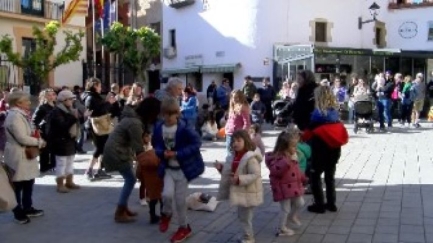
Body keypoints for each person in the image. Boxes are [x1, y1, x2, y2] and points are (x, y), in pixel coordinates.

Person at [152, 97, 204, 242]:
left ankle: (184, 227)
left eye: (171, 115)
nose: (168, 118)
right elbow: (155, 145)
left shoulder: (184, 128)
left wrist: (177, 153)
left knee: (180, 201)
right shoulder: (159, 128)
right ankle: (166, 215)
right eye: (165, 115)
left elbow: (196, 143)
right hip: (168, 168)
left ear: (178, 114)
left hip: (182, 170)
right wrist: (161, 152)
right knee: (167, 195)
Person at [102, 99, 157, 223]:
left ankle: (123, 207)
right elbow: (138, 148)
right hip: (117, 152)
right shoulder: (135, 123)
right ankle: (120, 212)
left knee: (130, 179)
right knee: (130, 179)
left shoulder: (133, 118)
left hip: (116, 150)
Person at [301, 86, 348, 214]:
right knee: (330, 176)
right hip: (334, 149)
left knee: (315, 176)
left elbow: (308, 133)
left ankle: (319, 204)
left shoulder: (317, 115)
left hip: (319, 149)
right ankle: (331, 204)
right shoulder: (334, 113)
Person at [4, 91, 46, 224]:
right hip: (18, 154)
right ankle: (18, 211)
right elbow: (21, 137)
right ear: (18, 103)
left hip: (24, 154)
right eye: (26, 100)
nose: (29, 102)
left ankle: (27, 207)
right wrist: (39, 142)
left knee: (28, 182)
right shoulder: (15, 116)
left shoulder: (21, 115)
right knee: (18, 184)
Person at [215, 130, 263, 243]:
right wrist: (221, 168)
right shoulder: (234, 156)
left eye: (238, 140)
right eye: (233, 141)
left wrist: (239, 179)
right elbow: (230, 173)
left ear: (246, 141)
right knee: (242, 216)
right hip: (241, 192)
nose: (235, 143)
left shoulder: (250, 158)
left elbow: (256, 174)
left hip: (249, 192)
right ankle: (246, 235)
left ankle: (249, 237)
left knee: (245, 217)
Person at [265, 127, 307, 236]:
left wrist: (303, 178)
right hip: (282, 188)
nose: (295, 148)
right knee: (285, 209)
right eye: (293, 146)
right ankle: (282, 228)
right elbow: (275, 171)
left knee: (300, 202)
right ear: (284, 147)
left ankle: (292, 217)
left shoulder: (292, 155)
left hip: (293, 186)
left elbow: (296, 170)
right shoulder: (278, 157)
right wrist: (288, 161)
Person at [49, 90, 83, 193]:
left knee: (70, 162)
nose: (72, 101)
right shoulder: (57, 111)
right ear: (64, 100)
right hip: (60, 140)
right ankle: (60, 184)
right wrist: (73, 117)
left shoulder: (69, 109)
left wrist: (80, 116)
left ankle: (69, 181)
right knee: (61, 163)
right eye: (71, 99)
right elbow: (62, 126)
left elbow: (76, 123)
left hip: (69, 140)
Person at [82, 78, 115, 181]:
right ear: (95, 86)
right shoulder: (90, 98)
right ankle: (89, 170)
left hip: (99, 125)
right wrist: (108, 103)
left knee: (103, 148)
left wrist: (107, 102)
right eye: (100, 86)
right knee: (99, 148)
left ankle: (99, 170)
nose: (101, 88)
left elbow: (100, 108)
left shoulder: (93, 96)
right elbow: (97, 112)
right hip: (96, 126)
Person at [136, 130, 163, 224]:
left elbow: (138, 171)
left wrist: (141, 178)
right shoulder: (160, 155)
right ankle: (164, 216)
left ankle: (152, 216)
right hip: (160, 182)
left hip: (149, 183)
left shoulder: (143, 156)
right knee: (162, 199)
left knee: (153, 200)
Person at [32, 89, 57, 173]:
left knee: (54, 149)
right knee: (45, 150)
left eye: (52, 94)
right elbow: (34, 120)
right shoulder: (42, 107)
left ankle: (53, 165)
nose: (51, 96)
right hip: (45, 131)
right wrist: (38, 129)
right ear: (45, 96)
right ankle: (44, 167)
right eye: (49, 95)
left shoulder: (56, 105)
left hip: (55, 131)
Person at [225, 90, 251, 155]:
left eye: (236, 97)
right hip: (229, 133)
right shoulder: (232, 106)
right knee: (229, 153)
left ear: (241, 97)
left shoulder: (242, 107)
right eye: (233, 97)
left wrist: (242, 134)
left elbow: (247, 123)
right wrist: (226, 128)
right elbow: (229, 120)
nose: (234, 99)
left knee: (235, 154)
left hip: (237, 135)